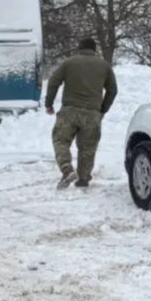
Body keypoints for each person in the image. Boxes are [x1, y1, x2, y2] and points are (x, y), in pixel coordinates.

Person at [45, 38, 118, 189]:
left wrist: (49, 104)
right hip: (92, 114)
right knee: (88, 148)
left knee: (60, 141)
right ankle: (83, 179)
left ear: (80, 48)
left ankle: (67, 170)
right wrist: (103, 109)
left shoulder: (69, 63)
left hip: (69, 111)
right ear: (94, 49)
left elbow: (53, 82)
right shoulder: (104, 66)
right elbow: (112, 90)